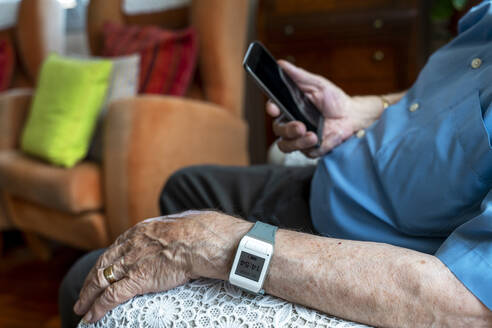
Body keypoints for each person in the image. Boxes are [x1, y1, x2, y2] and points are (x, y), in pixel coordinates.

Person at [60, 2, 492, 327]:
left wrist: (213, 242)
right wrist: (362, 110)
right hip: (342, 173)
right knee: (183, 185)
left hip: (360, 238)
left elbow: (468, 301)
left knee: (85, 277)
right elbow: (440, 96)